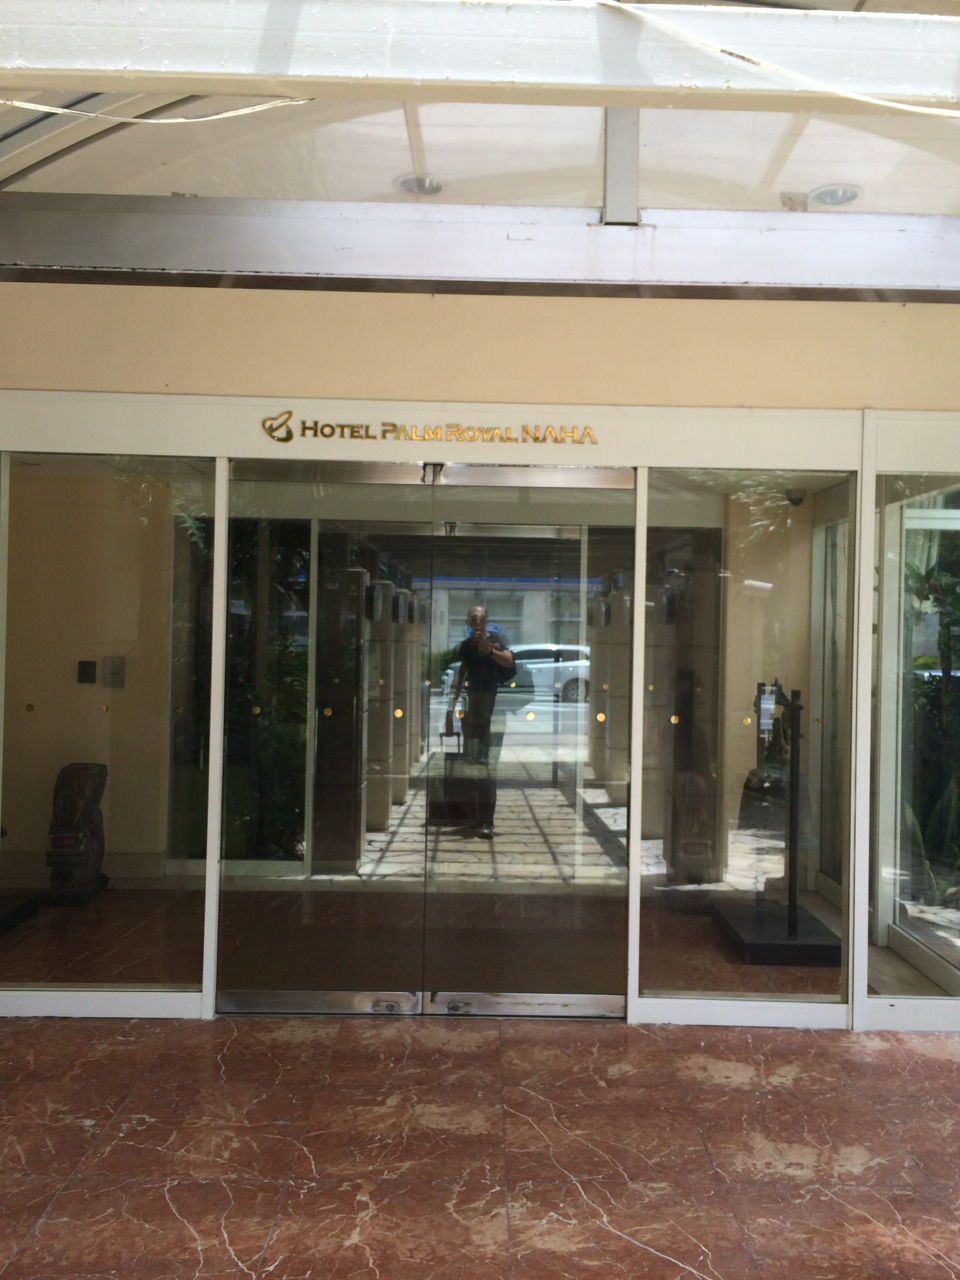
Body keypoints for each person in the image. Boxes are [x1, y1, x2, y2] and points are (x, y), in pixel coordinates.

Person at [444, 605, 514, 838]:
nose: (477, 622)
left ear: (486, 621)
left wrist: (489, 649)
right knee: (472, 763)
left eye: (481, 619)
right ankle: (474, 817)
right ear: (468, 622)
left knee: (488, 766)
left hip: (493, 713)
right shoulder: (465, 646)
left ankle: (486, 821)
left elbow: (509, 662)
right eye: (473, 619)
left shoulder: (497, 641)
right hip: (472, 713)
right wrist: (449, 714)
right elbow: (459, 677)